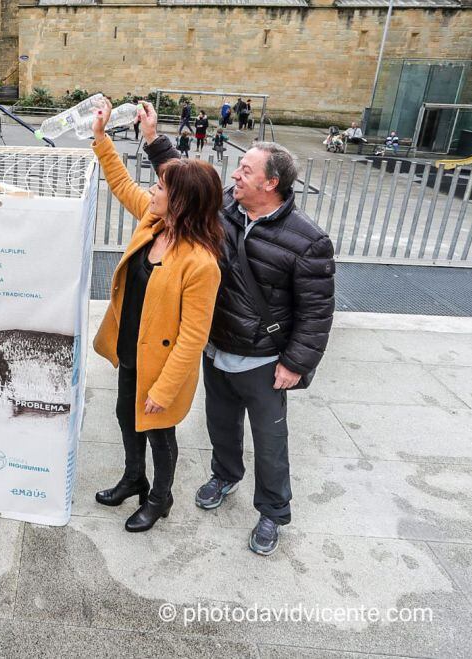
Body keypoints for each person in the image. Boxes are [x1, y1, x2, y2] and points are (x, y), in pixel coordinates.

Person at [139, 102, 335, 556]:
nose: (235, 176)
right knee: (221, 425)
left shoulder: (309, 240)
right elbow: (181, 181)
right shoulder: (225, 208)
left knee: (270, 442)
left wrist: (295, 363)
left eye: (246, 171)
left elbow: (317, 312)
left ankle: (272, 512)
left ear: (272, 184)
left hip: (266, 361)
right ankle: (225, 475)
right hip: (217, 348)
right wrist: (152, 139)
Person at [90, 100, 223, 533]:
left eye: (162, 189)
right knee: (125, 416)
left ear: (181, 201)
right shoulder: (154, 222)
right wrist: (101, 137)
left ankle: (160, 498)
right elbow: (122, 184)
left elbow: (193, 337)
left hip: (163, 365)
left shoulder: (201, 263)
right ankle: (133, 478)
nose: (153, 193)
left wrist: (164, 390)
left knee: (159, 433)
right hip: (132, 348)